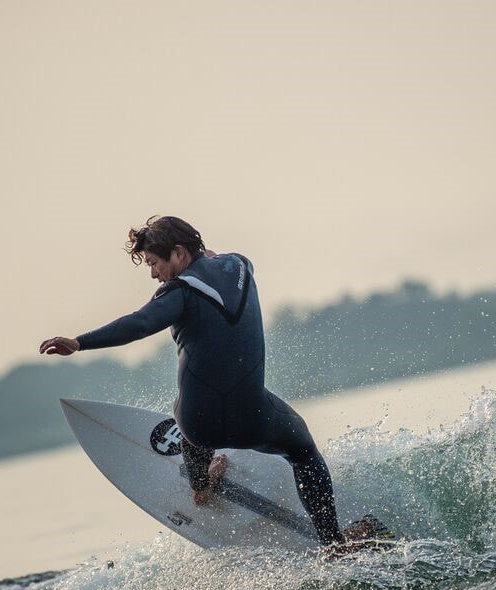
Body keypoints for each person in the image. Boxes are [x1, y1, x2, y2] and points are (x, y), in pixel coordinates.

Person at [40, 215, 368, 547]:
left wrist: (79, 342)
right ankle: (333, 543)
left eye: (154, 263)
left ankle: (202, 484)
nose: (154, 274)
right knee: (303, 451)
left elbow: (138, 324)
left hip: (200, 427)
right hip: (255, 417)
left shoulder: (176, 294)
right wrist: (208, 258)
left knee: (186, 417)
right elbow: (219, 261)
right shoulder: (241, 266)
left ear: (179, 253)